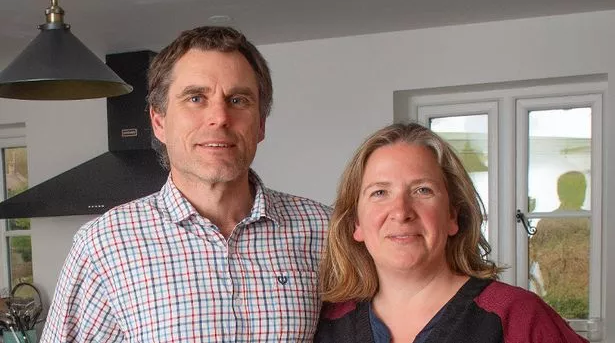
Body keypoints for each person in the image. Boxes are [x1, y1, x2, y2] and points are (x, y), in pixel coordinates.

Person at [41, 26, 330, 342]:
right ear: (159, 122)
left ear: (260, 124)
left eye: (238, 99)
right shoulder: (103, 247)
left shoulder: (324, 231)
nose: (219, 117)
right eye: (196, 98)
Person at [314, 123, 587, 342]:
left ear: (452, 216)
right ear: (356, 224)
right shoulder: (329, 325)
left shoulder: (515, 316)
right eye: (380, 192)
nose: (401, 211)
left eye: (422, 190)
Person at [530, 171, 590, 318]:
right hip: (556, 306)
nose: (579, 192)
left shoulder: (592, 222)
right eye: (574, 188)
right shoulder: (546, 225)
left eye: (580, 187)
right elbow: (527, 263)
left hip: (589, 307)